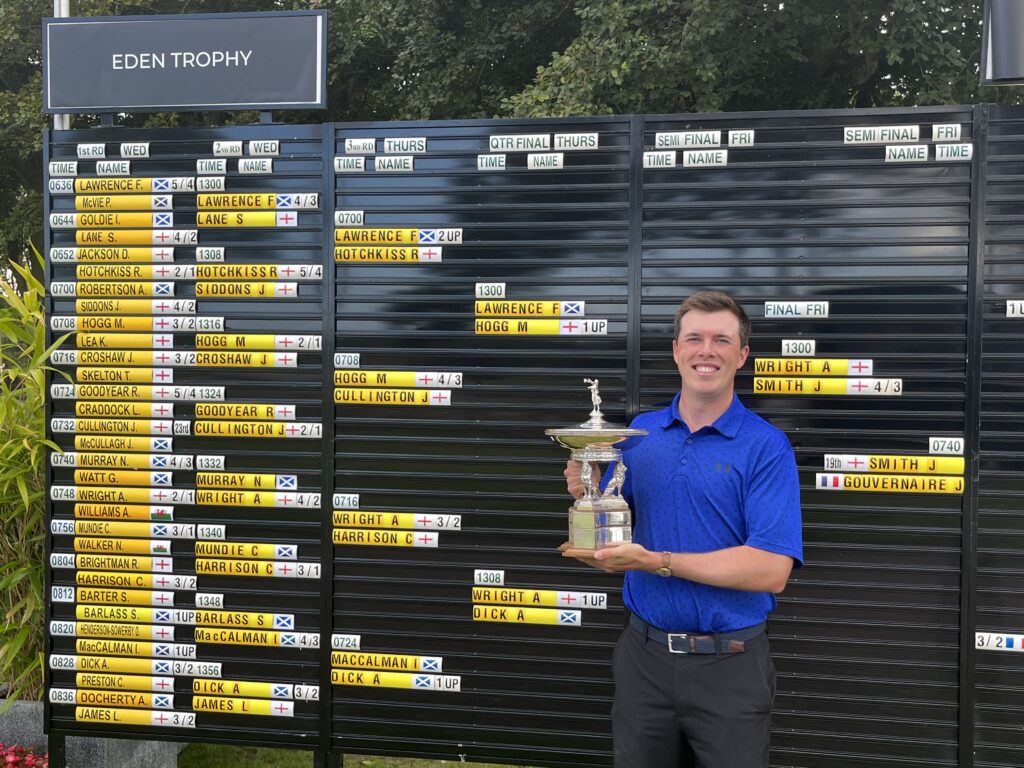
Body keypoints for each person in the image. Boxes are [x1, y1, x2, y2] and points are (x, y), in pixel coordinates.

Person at [564, 290, 803, 768]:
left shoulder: (766, 446)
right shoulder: (640, 436)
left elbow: (771, 570)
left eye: (721, 340)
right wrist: (587, 495)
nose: (706, 351)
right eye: (694, 338)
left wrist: (658, 562)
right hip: (643, 660)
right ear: (676, 350)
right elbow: (613, 548)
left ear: (742, 354)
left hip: (730, 665)